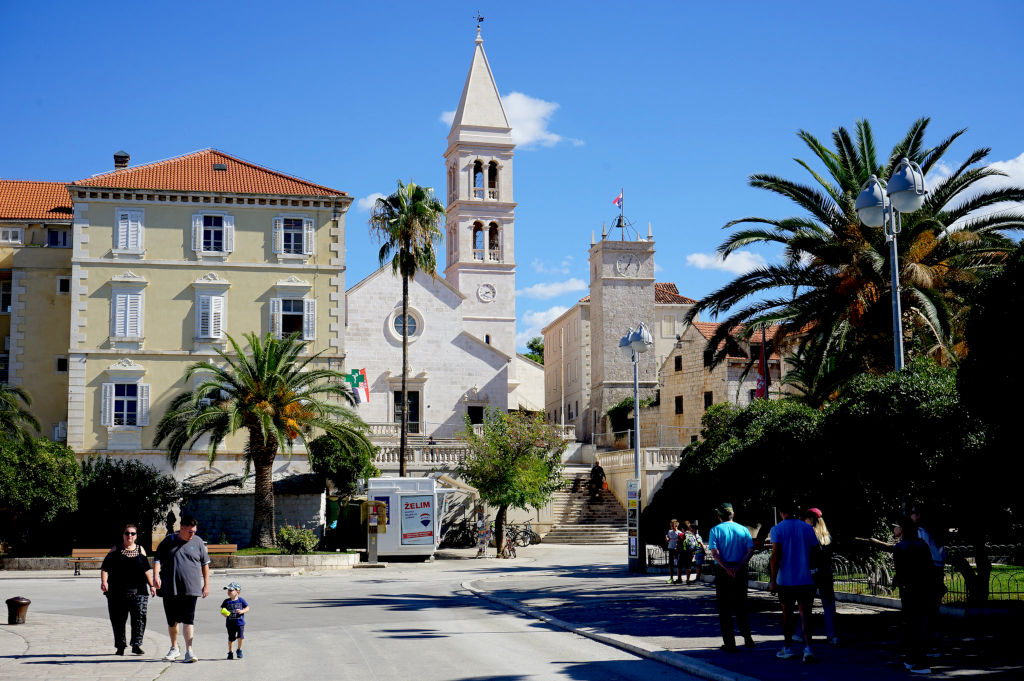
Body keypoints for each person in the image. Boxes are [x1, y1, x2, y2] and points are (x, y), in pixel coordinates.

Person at [153, 516, 211, 663]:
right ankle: (174, 648)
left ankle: (189, 651)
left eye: (194, 531)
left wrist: (206, 584)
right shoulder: (168, 541)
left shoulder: (198, 542)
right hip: (170, 587)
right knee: (172, 620)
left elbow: (205, 564)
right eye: (190, 531)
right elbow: (157, 559)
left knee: (188, 619)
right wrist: (155, 576)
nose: (192, 534)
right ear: (182, 528)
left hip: (191, 588)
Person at [769, 501, 821, 663]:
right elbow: (815, 552)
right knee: (806, 615)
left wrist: (772, 580)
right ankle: (808, 648)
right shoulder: (807, 528)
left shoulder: (777, 529)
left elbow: (776, 557)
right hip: (805, 578)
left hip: (786, 580)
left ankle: (788, 647)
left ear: (781, 512)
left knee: (787, 616)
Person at [100, 523, 157, 656]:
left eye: (132, 533)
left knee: (139, 618)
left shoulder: (140, 549)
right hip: (117, 592)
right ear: (123, 535)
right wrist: (104, 582)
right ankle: (120, 646)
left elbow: (146, 570)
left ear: (136, 536)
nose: (129, 536)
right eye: (127, 533)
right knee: (118, 619)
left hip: (139, 591)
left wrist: (152, 585)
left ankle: (136, 645)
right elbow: (105, 568)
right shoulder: (115, 549)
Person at [707, 502, 755, 651]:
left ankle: (730, 643)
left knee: (724, 608)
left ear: (719, 516)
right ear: (733, 514)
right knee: (741, 605)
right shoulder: (743, 529)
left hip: (723, 571)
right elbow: (750, 550)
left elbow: (715, 553)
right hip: (740, 570)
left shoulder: (715, 530)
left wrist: (727, 568)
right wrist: (738, 566)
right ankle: (747, 638)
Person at [796, 508, 838, 645]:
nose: (804, 521)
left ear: (811, 519)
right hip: (826, 574)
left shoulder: (807, 535)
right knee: (829, 605)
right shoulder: (827, 537)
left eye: (806, 518)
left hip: (811, 573)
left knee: (806, 605)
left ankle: (801, 633)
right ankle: (832, 635)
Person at [910, 503, 946, 658]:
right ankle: (932, 643)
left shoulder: (921, 532)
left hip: (927, 571)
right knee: (932, 610)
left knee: (924, 610)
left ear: (917, 516)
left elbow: (918, 553)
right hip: (937, 570)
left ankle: (926, 645)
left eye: (912, 513)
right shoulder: (935, 532)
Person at [220, 581, 250, 660]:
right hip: (230, 624)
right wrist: (224, 613)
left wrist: (242, 611)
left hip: (240, 623)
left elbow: (247, 608)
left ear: (237, 591)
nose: (229, 592)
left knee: (240, 637)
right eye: (228, 590)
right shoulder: (226, 601)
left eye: (231, 590)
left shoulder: (241, 600)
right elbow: (223, 610)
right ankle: (230, 652)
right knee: (231, 638)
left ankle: (239, 650)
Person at [665, 519, 684, 584]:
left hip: (677, 549)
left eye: (673, 526)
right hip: (671, 548)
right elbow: (667, 538)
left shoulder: (679, 532)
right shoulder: (669, 531)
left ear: (676, 526)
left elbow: (681, 541)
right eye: (671, 526)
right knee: (671, 564)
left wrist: (678, 546)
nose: (671, 527)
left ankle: (679, 577)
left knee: (679, 563)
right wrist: (667, 539)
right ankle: (671, 578)